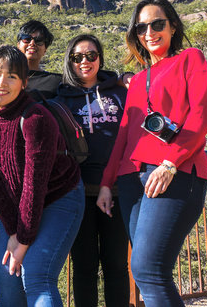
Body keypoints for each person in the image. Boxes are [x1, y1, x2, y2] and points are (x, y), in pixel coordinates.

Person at [96, 0, 207, 307]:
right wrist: (108, 183)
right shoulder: (137, 80)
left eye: (157, 24)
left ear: (173, 26)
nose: (149, 32)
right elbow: (124, 135)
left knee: (148, 269)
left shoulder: (191, 59)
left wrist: (170, 163)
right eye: (141, 27)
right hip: (131, 179)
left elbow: (201, 117)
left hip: (173, 172)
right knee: (148, 272)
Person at [0, 45, 84, 307]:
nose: (1, 83)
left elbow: (35, 183)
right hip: (16, 206)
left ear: (24, 83)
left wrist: (22, 240)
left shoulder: (36, 117)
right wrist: (13, 231)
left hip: (59, 197)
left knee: (36, 275)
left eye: (12, 77)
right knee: (8, 282)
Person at [57, 34, 129, 307]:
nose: (84, 62)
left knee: (116, 265)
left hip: (118, 190)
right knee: (84, 267)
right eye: (77, 57)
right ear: (70, 61)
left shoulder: (120, 91)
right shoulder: (62, 97)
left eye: (91, 55)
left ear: (100, 58)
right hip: (78, 193)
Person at [16, 20, 61, 99]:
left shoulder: (57, 81)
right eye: (27, 39)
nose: (32, 43)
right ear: (18, 45)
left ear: (45, 50)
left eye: (39, 40)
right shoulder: (5, 77)